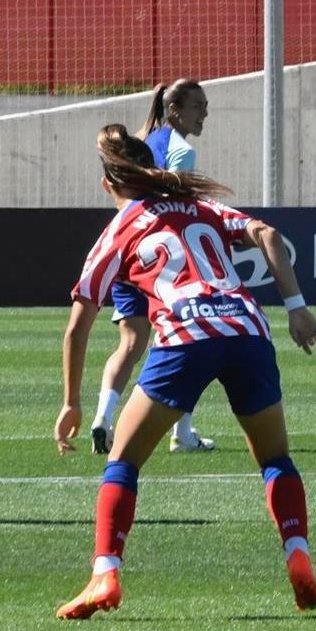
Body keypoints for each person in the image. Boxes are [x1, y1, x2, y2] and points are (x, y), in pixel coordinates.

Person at [54, 126, 316, 619]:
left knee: (124, 461)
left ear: (108, 186)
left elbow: (77, 327)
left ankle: (104, 573)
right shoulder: (198, 208)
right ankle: (297, 553)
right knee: (275, 458)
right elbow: (266, 233)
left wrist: (72, 402)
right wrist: (297, 306)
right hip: (247, 328)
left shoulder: (119, 229)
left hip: (186, 333)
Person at [91, 80, 218, 456]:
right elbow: (179, 212)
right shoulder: (182, 153)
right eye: (198, 106)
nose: (205, 113)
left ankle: (102, 417)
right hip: (165, 262)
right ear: (175, 109)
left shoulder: (143, 141)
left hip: (130, 251)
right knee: (187, 341)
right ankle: (182, 433)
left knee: (130, 344)